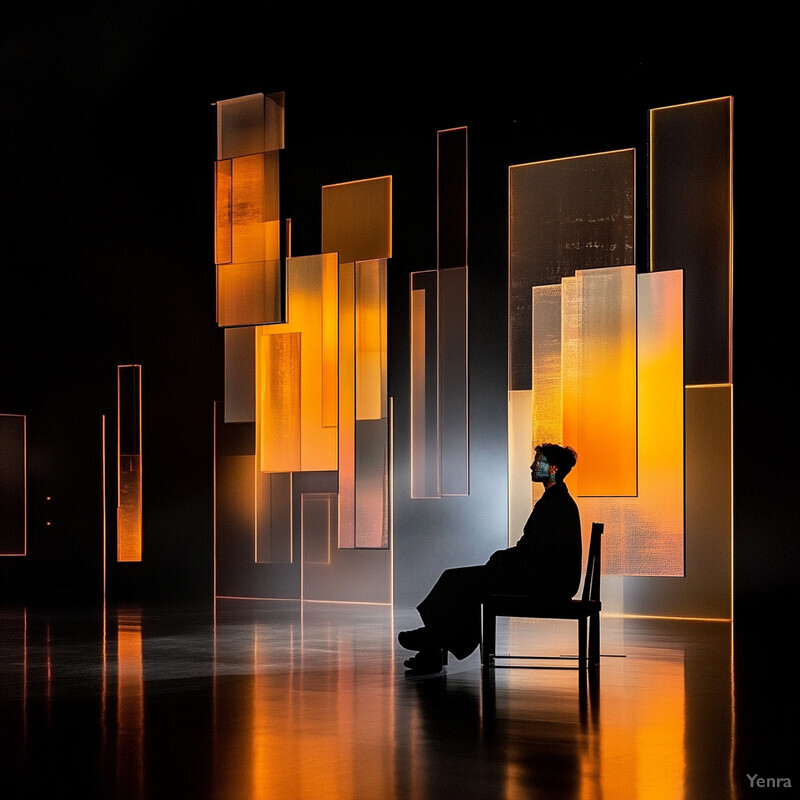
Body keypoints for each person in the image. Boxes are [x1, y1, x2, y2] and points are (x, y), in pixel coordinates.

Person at [399, 443, 582, 674]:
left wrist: (502, 559)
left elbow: (538, 552)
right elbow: (535, 550)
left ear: (553, 468)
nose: (532, 466)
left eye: (538, 461)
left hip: (544, 582)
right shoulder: (555, 501)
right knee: (455, 579)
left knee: (459, 581)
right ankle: (434, 645)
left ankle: (435, 640)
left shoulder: (557, 505)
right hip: (539, 576)